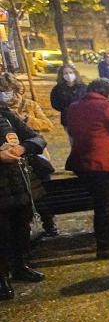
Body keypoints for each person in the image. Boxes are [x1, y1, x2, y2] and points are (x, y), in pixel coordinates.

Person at [65, 79, 109, 259]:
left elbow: (73, 131)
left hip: (83, 162)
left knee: (103, 205)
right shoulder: (108, 107)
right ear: (108, 93)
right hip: (105, 163)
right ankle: (104, 246)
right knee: (104, 207)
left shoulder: (74, 107)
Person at [0, 83, 47, 300]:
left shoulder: (6, 115)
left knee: (20, 229)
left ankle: (20, 266)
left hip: (19, 185)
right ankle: (2, 278)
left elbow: (37, 138)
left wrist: (23, 147)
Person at [50, 64, 87, 130]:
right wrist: (66, 109)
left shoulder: (83, 87)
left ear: (75, 73)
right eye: (65, 73)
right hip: (67, 119)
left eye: (70, 72)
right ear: (62, 75)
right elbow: (54, 103)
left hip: (83, 118)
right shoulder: (58, 89)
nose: (69, 75)